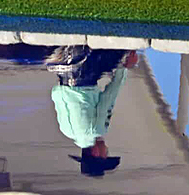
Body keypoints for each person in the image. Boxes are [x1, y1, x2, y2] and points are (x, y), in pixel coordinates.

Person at [47, 46, 137, 178]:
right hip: (61, 71)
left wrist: (124, 68)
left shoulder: (97, 130)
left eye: (106, 154)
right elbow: (56, 94)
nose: (107, 150)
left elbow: (109, 96)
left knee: (121, 50)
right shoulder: (66, 131)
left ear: (96, 153)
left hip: (84, 71)